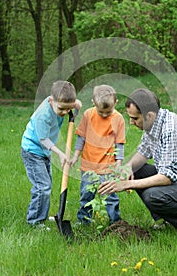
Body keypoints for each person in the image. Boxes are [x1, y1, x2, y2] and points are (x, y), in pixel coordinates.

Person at [98, 88, 177, 233]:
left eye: (134, 118)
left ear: (149, 115)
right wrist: (127, 168)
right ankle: (170, 219)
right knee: (137, 170)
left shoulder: (172, 130)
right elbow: (143, 152)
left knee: (152, 196)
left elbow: (166, 178)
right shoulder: (154, 124)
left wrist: (127, 184)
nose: (131, 122)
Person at [21, 80, 81, 229]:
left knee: (46, 185)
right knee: (43, 186)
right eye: (62, 109)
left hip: (44, 152)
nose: (65, 113)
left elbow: (72, 106)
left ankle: (42, 216)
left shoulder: (60, 102)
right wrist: (61, 154)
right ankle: (34, 221)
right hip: (33, 150)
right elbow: (43, 140)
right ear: (50, 100)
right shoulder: (43, 115)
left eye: (69, 109)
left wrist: (76, 106)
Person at [72, 85, 125, 225]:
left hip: (108, 166)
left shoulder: (118, 119)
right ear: (93, 103)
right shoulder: (88, 115)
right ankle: (84, 221)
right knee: (86, 195)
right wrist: (75, 155)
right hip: (88, 165)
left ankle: (115, 222)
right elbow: (81, 137)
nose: (105, 115)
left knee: (110, 196)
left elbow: (120, 144)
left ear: (116, 103)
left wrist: (118, 165)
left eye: (109, 111)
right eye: (101, 112)